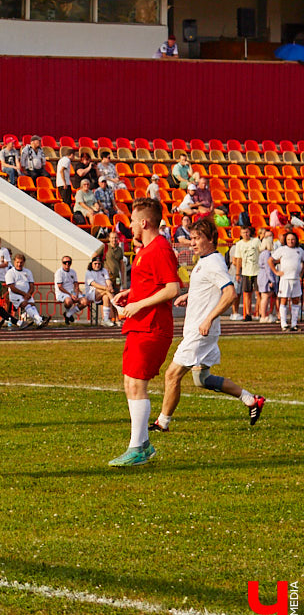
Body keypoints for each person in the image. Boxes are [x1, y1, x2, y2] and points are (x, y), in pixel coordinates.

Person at [149, 217, 265, 434]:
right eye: (191, 238)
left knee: (172, 375)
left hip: (200, 332)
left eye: (197, 238)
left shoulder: (213, 262)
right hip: (201, 329)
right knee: (202, 379)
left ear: (211, 238)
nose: (193, 243)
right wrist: (189, 297)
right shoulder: (204, 259)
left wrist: (209, 318)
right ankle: (251, 400)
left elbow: (230, 293)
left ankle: (162, 423)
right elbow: (208, 290)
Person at [108, 197, 181, 467]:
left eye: (132, 220)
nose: (129, 226)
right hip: (140, 324)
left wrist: (138, 303)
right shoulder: (146, 250)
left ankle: (137, 447)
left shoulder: (159, 248)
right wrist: (132, 294)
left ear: (144, 222)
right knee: (130, 382)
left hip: (152, 326)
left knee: (137, 384)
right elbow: (155, 284)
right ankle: (143, 445)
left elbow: (173, 288)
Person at [270, 231, 304, 331]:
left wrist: (301, 273)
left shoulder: (300, 251)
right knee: (283, 300)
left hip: (296, 279)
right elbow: (270, 260)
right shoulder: (282, 249)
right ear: (286, 240)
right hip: (285, 280)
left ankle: (294, 323)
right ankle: (283, 323)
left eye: (292, 239)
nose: (290, 241)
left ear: (296, 240)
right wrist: (276, 272)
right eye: (288, 239)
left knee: (295, 301)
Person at [228, 226, 261, 322]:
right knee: (247, 294)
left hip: (257, 270)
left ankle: (258, 312)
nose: (245, 234)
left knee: (259, 293)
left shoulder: (256, 241)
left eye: (247, 232)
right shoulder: (239, 244)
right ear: (241, 234)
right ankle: (248, 313)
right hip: (246, 272)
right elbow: (238, 259)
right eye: (243, 232)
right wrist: (238, 273)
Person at [5, 253, 46, 328]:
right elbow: (12, 287)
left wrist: (29, 294)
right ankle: (39, 319)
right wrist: (24, 294)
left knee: (32, 305)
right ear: (14, 262)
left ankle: (38, 322)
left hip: (27, 294)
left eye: (21, 262)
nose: (19, 264)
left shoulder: (28, 272)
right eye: (17, 262)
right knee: (25, 304)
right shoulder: (10, 273)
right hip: (15, 295)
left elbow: (31, 285)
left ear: (24, 262)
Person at [54, 256, 90, 324]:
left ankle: (68, 314)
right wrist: (71, 295)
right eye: (65, 262)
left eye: (69, 262)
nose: (67, 264)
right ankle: (68, 313)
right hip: (61, 292)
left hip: (71, 292)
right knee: (68, 301)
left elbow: (76, 284)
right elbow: (60, 287)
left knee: (85, 302)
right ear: (62, 263)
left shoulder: (73, 272)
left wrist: (76, 294)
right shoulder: (59, 272)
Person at [84, 254, 116, 327]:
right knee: (106, 292)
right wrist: (107, 289)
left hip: (104, 292)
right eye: (95, 263)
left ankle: (105, 319)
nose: (97, 265)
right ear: (91, 264)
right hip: (91, 293)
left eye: (99, 264)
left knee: (106, 297)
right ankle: (116, 304)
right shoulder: (88, 272)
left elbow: (108, 280)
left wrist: (110, 286)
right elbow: (94, 284)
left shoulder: (104, 270)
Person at [257, 229, 279, 323]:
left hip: (262, 275)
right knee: (265, 296)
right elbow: (268, 268)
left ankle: (264, 315)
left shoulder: (263, 253)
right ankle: (263, 316)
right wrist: (272, 280)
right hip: (265, 276)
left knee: (264, 296)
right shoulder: (266, 254)